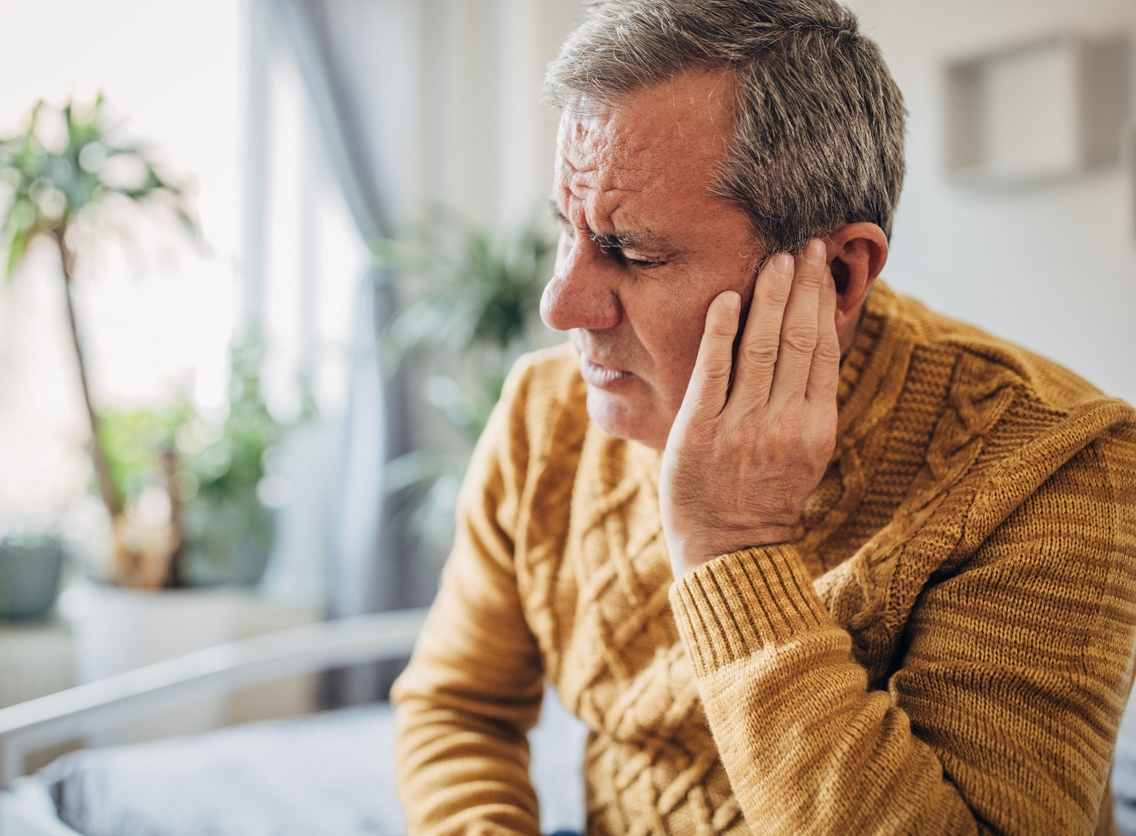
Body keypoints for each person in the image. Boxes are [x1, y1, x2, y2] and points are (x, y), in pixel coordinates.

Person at [391, 1, 1136, 833]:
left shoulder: (1056, 464)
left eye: (631, 252)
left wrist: (731, 548)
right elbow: (456, 708)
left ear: (840, 278)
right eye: (565, 230)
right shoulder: (544, 411)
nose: (559, 303)